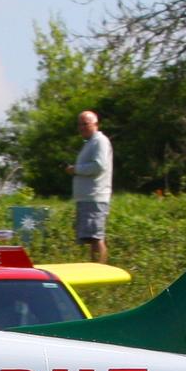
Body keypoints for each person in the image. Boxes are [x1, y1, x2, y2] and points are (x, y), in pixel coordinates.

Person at [64, 109, 112, 263]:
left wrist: (76, 169)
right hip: (87, 198)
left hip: (95, 197)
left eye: (85, 124)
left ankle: (101, 270)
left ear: (95, 124)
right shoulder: (90, 143)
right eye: (80, 124)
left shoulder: (100, 141)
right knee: (91, 238)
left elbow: (98, 166)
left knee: (97, 237)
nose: (82, 128)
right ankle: (95, 267)